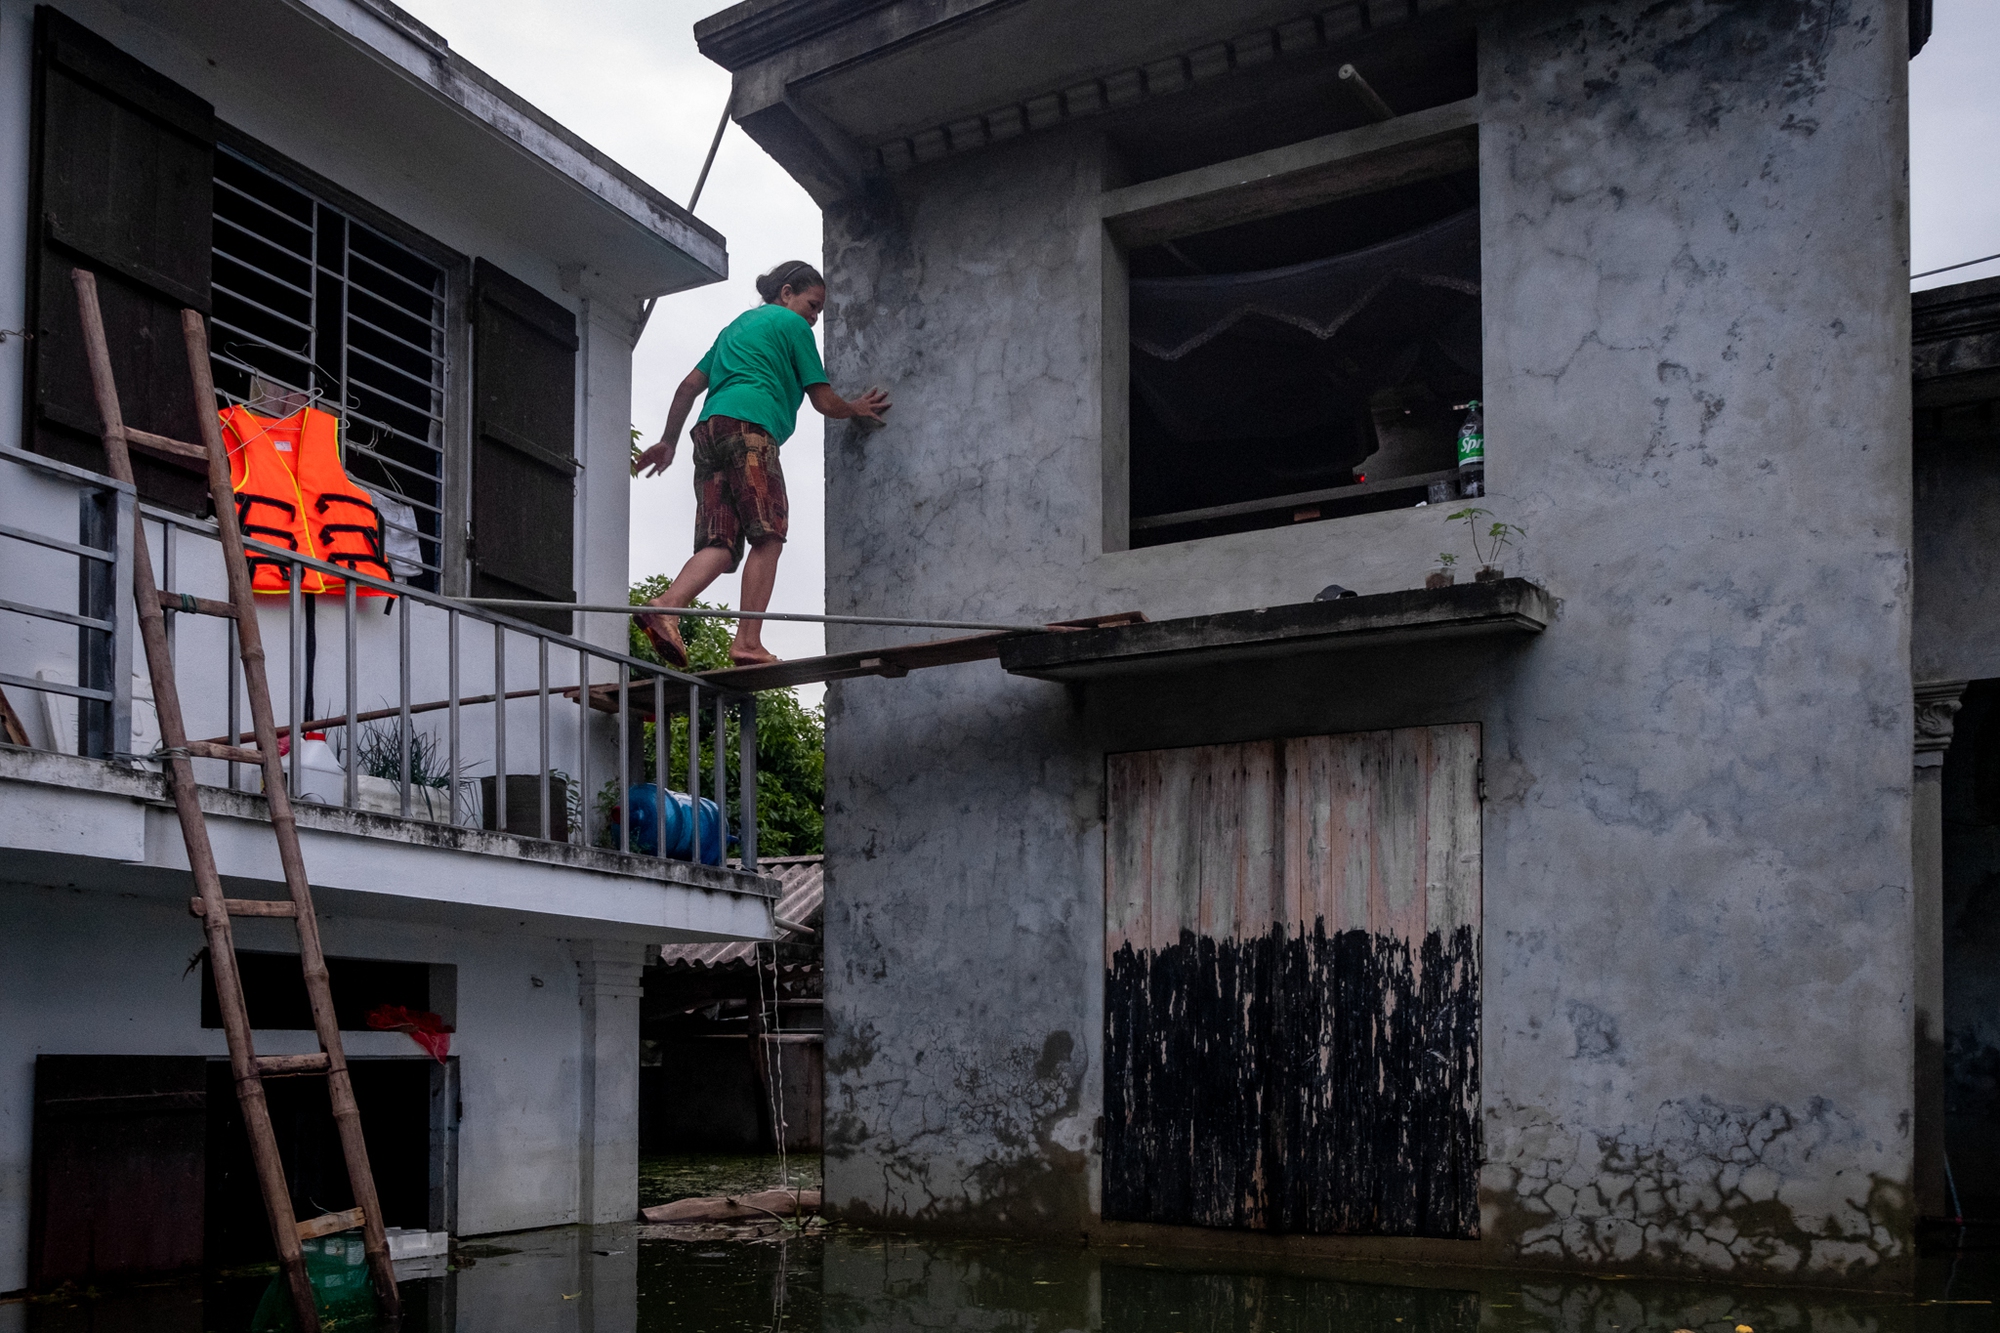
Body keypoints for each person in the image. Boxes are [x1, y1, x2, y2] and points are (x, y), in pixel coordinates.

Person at [633, 261, 889, 667]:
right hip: (750, 429)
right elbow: (823, 401)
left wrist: (668, 441)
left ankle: (665, 607)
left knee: (720, 543)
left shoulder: (734, 329)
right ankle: (747, 643)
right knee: (768, 535)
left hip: (708, 432)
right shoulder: (792, 327)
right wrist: (855, 407)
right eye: (813, 304)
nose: (815, 316)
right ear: (786, 293)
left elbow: (687, 387)